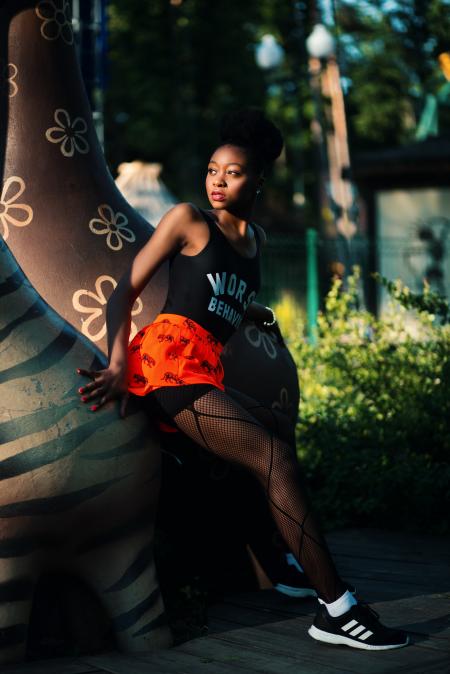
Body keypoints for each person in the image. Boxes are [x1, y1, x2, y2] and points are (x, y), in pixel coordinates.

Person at [77, 109, 409, 651]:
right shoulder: (187, 219)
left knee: (275, 425)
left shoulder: (254, 240)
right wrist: (117, 364)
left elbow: (221, 295)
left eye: (231, 172)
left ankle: (276, 560)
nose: (217, 180)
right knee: (271, 456)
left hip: (204, 368)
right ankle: (340, 609)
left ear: (257, 179)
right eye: (212, 169)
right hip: (168, 362)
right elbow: (124, 291)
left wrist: (256, 314)